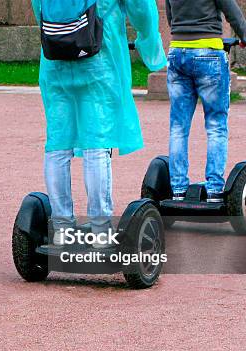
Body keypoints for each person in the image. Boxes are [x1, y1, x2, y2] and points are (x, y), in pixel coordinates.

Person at [31, 0, 166, 247]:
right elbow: (142, 9)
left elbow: (39, 8)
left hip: (54, 62)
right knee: (97, 145)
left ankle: (61, 229)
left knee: (57, 145)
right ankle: (101, 231)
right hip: (99, 58)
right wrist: (150, 44)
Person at [165, 0, 246, 203]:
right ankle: (215, 189)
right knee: (216, 125)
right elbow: (230, 9)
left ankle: (178, 189)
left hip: (177, 52)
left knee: (178, 127)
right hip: (208, 52)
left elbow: (171, 18)